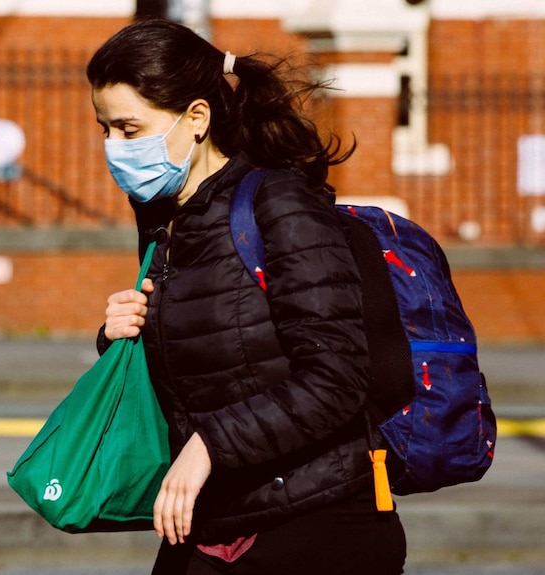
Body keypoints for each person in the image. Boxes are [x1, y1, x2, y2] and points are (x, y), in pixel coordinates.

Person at [88, 19, 406, 575]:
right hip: (214, 520)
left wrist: (209, 445)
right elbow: (210, 363)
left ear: (197, 118)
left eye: (129, 129)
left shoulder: (280, 206)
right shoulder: (168, 223)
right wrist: (122, 335)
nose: (113, 148)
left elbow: (336, 379)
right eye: (104, 129)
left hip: (316, 524)